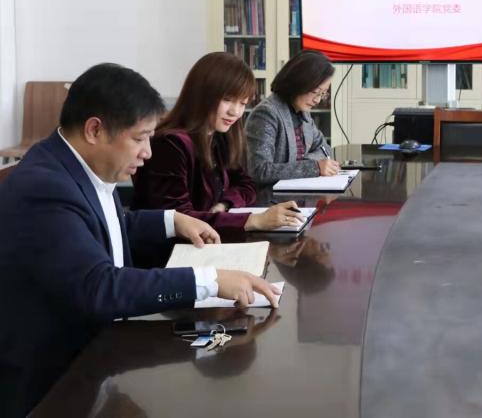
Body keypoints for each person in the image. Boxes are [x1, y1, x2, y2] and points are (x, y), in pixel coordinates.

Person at [0, 63, 279, 417]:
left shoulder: (74, 165)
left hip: (99, 348)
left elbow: (107, 226)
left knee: (210, 352)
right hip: (56, 379)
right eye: (140, 138)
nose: (147, 152)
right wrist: (210, 280)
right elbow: (99, 287)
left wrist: (172, 220)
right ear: (95, 130)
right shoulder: (45, 187)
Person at [132, 52, 302, 235]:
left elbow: (247, 184)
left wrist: (225, 204)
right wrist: (254, 220)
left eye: (242, 103)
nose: (235, 112)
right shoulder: (170, 144)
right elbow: (179, 220)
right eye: (227, 100)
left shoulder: (220, 135)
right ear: (201, 94)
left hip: (209, 241)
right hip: (174, 248)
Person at [245, 50, 340, 194]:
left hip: (295, 193)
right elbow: (260, 170)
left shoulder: (303, 113)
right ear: (299, 82)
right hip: (268, 198)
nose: (318, 100)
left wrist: (307, 162)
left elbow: (325, 149)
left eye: (323, 93)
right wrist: (314, 167)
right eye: (315, 92)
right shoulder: (266, 114)